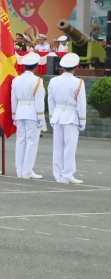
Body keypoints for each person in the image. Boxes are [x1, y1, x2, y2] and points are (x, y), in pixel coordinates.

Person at [49, 53, 86, 184]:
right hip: (71, 117)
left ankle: (58, 175)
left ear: (63, 67)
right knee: (69, 148)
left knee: (58, 146)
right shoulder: (78, 82)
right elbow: (81, 104)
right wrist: (82, 121)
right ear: (75, 67)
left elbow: (51, 101)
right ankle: (67, 175)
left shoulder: (53, 81)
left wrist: (52, 117)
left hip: (57, 116)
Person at [11, 53, 46, 179]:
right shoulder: (37, 81)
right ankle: (27, 170)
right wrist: (41, 117)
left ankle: (20, 170)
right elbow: (39, 100)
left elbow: (13, 99)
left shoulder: (16, 80)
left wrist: (14, 115)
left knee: (20, 141)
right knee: (31, 142)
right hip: (32, 113)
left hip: (20, 112)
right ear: (36, 67)